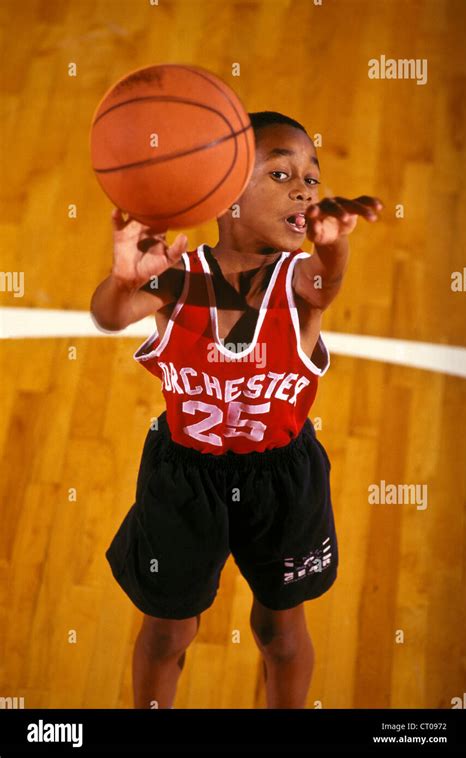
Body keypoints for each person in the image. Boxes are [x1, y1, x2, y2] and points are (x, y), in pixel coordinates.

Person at [90, 111, 383, 709]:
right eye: (281, 173)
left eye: (312, 178)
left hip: (282, 479)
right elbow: (108, 316)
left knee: (280, 629)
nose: (305, 188)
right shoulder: (175, 277)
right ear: (224, 191)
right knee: (169, 628)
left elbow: (327, 284)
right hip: (184, 477)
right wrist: (124, 280)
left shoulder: (299, 283)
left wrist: (335, 247)